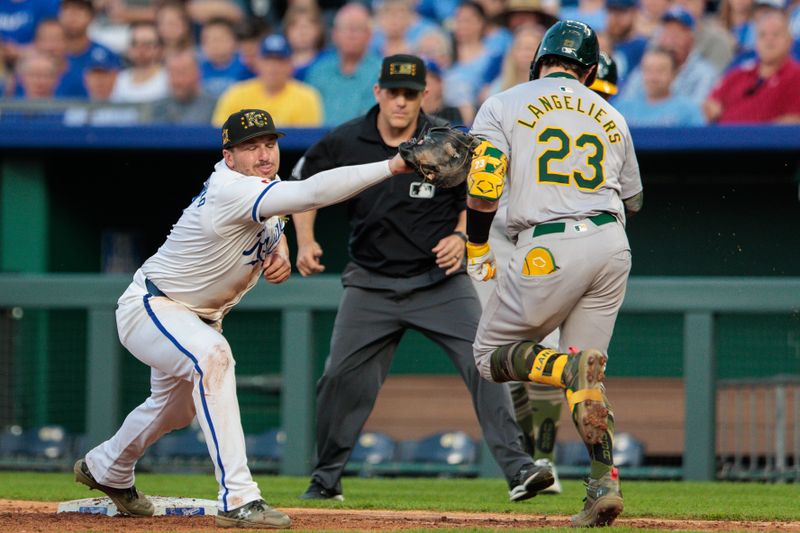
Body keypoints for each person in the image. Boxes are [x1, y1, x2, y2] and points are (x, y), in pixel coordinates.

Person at [74, 107, 416, 529]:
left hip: (195, 316)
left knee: (175, 411)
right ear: (228, 155)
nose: (263, 153)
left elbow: (277, 220)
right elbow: (309, 194)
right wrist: (393, 164)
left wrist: (281, 253)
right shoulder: (230, 187)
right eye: (250, 146)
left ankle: (107, 466)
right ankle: (239, 497)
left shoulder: (263, 186)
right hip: (154, 306)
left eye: (269, 144)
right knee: (214, 357)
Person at [292, 53, 546, 504]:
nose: (401, 101)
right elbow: (304, 188)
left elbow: (482, 192)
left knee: (485, 363)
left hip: (439, 282)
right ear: (378, 92)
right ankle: (325, 479)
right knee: (338, 379)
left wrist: (461, 234)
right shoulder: (346, 139)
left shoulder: (444, 138)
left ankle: (520, 468)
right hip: (371, 283)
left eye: (410, 94)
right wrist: (305, 241)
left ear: (423, 95)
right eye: (393, 92)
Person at [465, 20, 643, 527]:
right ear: (588, 69)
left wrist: (478, 242)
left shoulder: (503, 102)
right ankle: (604, 485)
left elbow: (482, 184)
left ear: (538, 59)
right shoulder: (612, 114)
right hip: (612, 244)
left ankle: (566, 369)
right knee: (589, 370)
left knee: (487, 357)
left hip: (549, 243)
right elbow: (635, 198)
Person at [704, 9, 800, 123]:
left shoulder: (795, 76)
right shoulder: (738, 74)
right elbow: (710, 106)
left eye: (776, 34)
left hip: (769, 139)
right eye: (762, 35)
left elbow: (793, 122)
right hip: (724, 138)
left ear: (790, 41)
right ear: (756, 42)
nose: (769, 39)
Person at [212, 33, 323, 127]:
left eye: (280, 60)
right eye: (268, 60)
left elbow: (308, 141)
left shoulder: (306, 97)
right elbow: (220, 135)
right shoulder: (236, 94)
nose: (273, 67)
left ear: (290, 64)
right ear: (257, 62)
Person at [618, 6, 719, 105]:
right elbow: (626, 103)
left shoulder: (703, 73)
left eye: (678, 34)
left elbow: (697, 114)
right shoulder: (646, 67)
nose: (671, 40)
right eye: (667, 33)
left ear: (691, 39)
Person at [304, 2, 383, 126]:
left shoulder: (381, 71)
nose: (351, 35)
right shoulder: (318, 70)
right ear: (334, 34)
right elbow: (308, 113)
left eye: (357, 29)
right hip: (320, 140)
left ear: (369, 35)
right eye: (345, 29)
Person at [615, 47, 705, 125]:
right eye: (648, 69)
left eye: (661, 70)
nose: (653, 76)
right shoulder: (622, 108)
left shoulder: (688, 111)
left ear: (674, 74)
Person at [59, 0, 121, 98]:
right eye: (67, 9)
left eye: (80, 10)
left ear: (92, 17)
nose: (73, 16)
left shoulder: (107, 56)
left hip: (93, 111)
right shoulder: (49, 55)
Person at [151, 48, 218, 124]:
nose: (178, 80)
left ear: (198, 74)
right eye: (173, 74)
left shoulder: (214, 106)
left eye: (182, 73)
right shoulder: (158, 108)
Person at [110, 21, 169, 103]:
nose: (140, 49)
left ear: (160, 49)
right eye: (135, 43)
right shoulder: (120, 79)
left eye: (147, 44)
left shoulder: (169, 79)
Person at [198, 17, 251, 98]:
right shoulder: (198, 69)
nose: (214, 45)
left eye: (219, 39)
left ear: (234, 41)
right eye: (208, 40)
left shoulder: (246, 66)